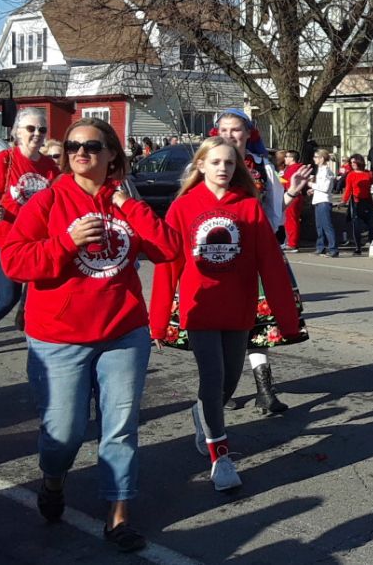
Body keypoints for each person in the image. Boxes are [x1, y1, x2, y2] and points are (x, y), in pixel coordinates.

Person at [1, 118, 180, 552]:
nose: (82, 153)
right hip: (60, 337)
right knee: (64, 431)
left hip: (123, 332)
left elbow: (168, 248)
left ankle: (118, 517)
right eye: (75, 146)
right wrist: (66, 241)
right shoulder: (47, 202)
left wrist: (126, 201)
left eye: (93, 146)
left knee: (119, 428)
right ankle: (54, 478)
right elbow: (14, 262)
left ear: (112, 154)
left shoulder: (124, 202)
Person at [150, 137, 301, 491]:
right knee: (213, 377)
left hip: (239, 308)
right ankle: (222, 458)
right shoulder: (183, 207)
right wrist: (157, 322)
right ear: (200, 165)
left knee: (230, 379)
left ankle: (203, 413)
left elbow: (272, 265)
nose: (223, 168)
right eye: (215, 162)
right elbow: (167, 267)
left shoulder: (249, 208)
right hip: (199, 308)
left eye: (229, 163)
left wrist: (287, 318)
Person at [211, 108, 310, 415]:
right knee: (222, 323)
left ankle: (265, 391)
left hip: (256, 253)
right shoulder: (205, 164)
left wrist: (292, 190)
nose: (230, 134)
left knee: (259, 323)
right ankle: (221, 388)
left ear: (248, 133)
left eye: (236, 129)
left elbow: (273, 213)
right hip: (220, 255)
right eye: (224, 129)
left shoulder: (262, 166)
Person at [0, 107, 60, 355]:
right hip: (4, 240)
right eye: (31, 129)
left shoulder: (49, 166)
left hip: (36, 241)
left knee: (38, 288)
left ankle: (27, 319)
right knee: (6, 296)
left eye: (42, 130)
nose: (37, 134)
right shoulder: (4, 160)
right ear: (17, 133)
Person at [342, 154, 373, 256]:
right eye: (351, 162)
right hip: (356, 201)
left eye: (355, 162)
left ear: (360, 162)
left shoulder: (368, 174)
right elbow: (348, 189)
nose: (353, 164)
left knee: (371, 225)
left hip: (367, 201)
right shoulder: (351, 175)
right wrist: (344, 201)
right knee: (356, 225)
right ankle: (358, 247)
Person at [309, 149, 338, 257]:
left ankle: (333, 248)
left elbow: (325, 188)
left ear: (321, 158)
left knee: (327, 226)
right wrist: (313, 190)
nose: (314, 159)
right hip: (318, 200)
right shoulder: (319, 170)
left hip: (324, 201)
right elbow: (321, 186)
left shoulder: (326, 171)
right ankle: (320, 247)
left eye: (316, 157)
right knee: (319, 226)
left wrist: (311, 185)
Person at [279, 150, 303, 252]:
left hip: (292, 196)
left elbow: (286, 182)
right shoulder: (291, 168)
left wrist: (279, 179)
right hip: (293, 195)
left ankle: (292, 243)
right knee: (290, 219)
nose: (285, 159)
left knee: (291, 220)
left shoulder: (293, 169)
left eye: (287, 157)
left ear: (292, 158)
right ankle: (289, 241)